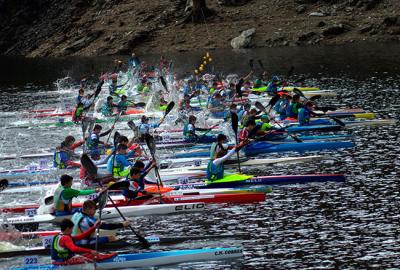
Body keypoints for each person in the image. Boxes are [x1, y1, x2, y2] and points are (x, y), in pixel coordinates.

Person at [51, 219, 116, 265]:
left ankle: (105, 256)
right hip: (63, 262)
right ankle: (108, 257)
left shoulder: (58, 236)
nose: (72, 231)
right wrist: (90, 251)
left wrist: (94, 227)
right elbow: (74, 248)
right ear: (68, 228)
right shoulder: (65, 238)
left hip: (57, 261)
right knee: (89, 257)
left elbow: (81, 236)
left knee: (87, 255)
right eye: (72, 229)